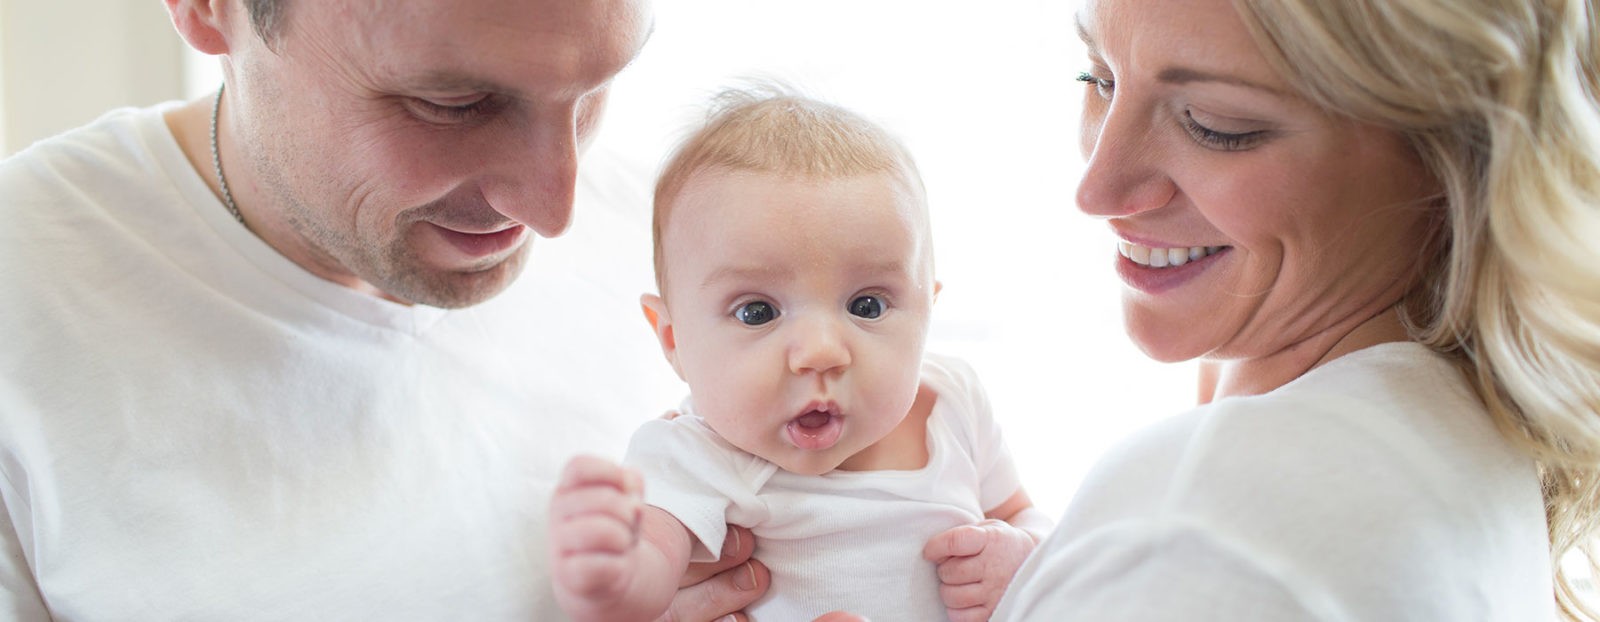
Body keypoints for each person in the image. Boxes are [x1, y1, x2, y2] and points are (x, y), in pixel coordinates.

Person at [0, 0, 772, 619]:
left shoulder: (690, 243)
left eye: (595, 89)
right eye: (454, 104)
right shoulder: (28, 303)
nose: (553, 206)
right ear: (209, 10)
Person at [989, 0, 1600, 619]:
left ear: (1457, 151)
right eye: (1100, 79)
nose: (1097, 192)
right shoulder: (1475, 444)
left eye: (1215, 124)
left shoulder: (1210, 534)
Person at [547, 87, 1051, 622]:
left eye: (868, 305)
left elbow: (1024, 515)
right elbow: (649, 572)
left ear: (927, 310)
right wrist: (608, 574)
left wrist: (1024, 560)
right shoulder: (695, 454)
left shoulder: (954, 405)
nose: (821, 354)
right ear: (673, 340)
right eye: (757, 312)